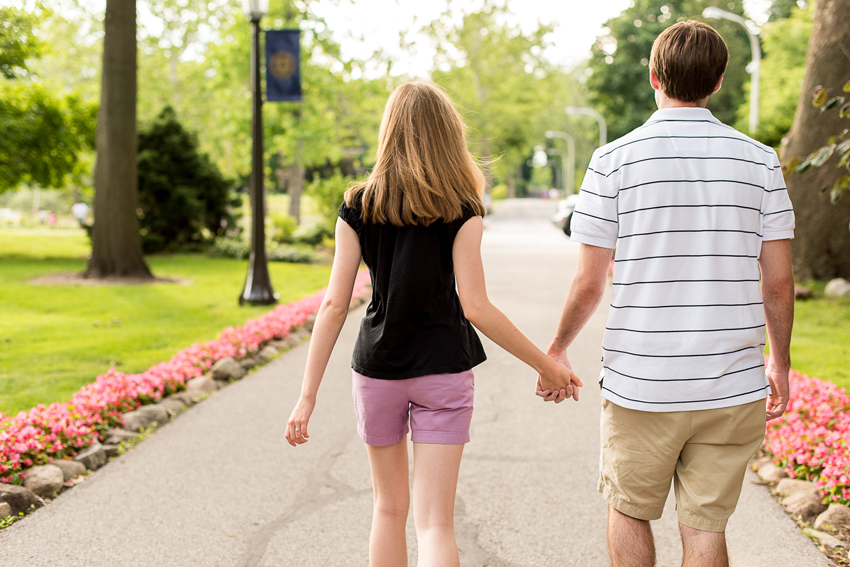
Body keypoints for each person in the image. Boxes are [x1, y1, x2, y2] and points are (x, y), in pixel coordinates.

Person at [284, 81, 581, 567]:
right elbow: (477, 308)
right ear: (448, 135)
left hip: (377, 370)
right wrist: (546, 364)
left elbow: (335, 305)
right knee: (436, 523)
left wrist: (307, 394)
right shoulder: (462, 209)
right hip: (443, 369)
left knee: (387, 509)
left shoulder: (357, 205)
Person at [540, 21, 795, 567]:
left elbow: (589, 281)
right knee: (705, 528)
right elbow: (777, 281)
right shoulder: (760, 161)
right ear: (719, 81)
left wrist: (556, 349)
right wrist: (780, 362)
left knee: (629, 511)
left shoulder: (612, 161)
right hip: (731, 385)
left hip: (642, 385)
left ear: (654, 76)